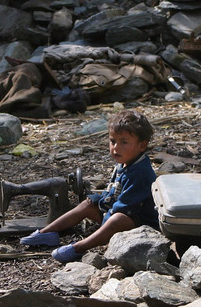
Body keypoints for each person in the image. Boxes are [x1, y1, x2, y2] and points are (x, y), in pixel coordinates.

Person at [20, 109, 159, 262]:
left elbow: (126, 206)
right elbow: (113, 192)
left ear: (142, 146)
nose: (115, 148)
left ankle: (79, 247)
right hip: (117, 212)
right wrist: (99, 200)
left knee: (117, 219)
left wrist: (104, 222)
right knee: (87, 204)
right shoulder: (125, 163)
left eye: (124, 142)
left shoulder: (140, 172)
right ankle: (47, 232)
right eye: (113, 141)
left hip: (140, 224)